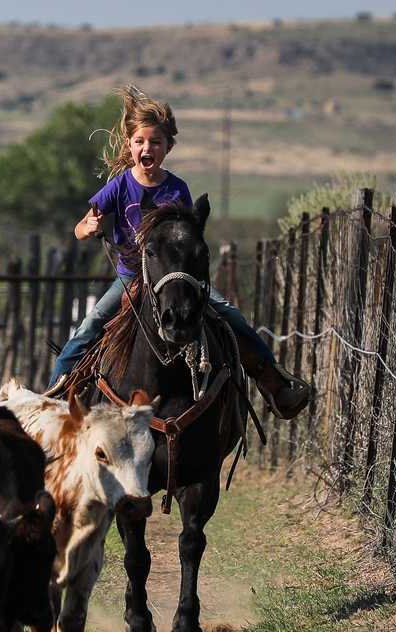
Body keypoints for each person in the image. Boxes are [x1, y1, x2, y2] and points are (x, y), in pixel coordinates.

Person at [47, 85, 311, 419]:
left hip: (175, 278)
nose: (147, 147)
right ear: (129, 145)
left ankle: (274, 385)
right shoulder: (117, 187)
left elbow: (187, 237)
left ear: (167, 147)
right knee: (92, 323)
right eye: (140, 141)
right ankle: (55, 394)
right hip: (132, 277)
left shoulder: (176, 189)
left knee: (229, 314)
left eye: (155, 142)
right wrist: (90, 227)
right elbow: (81, 227)